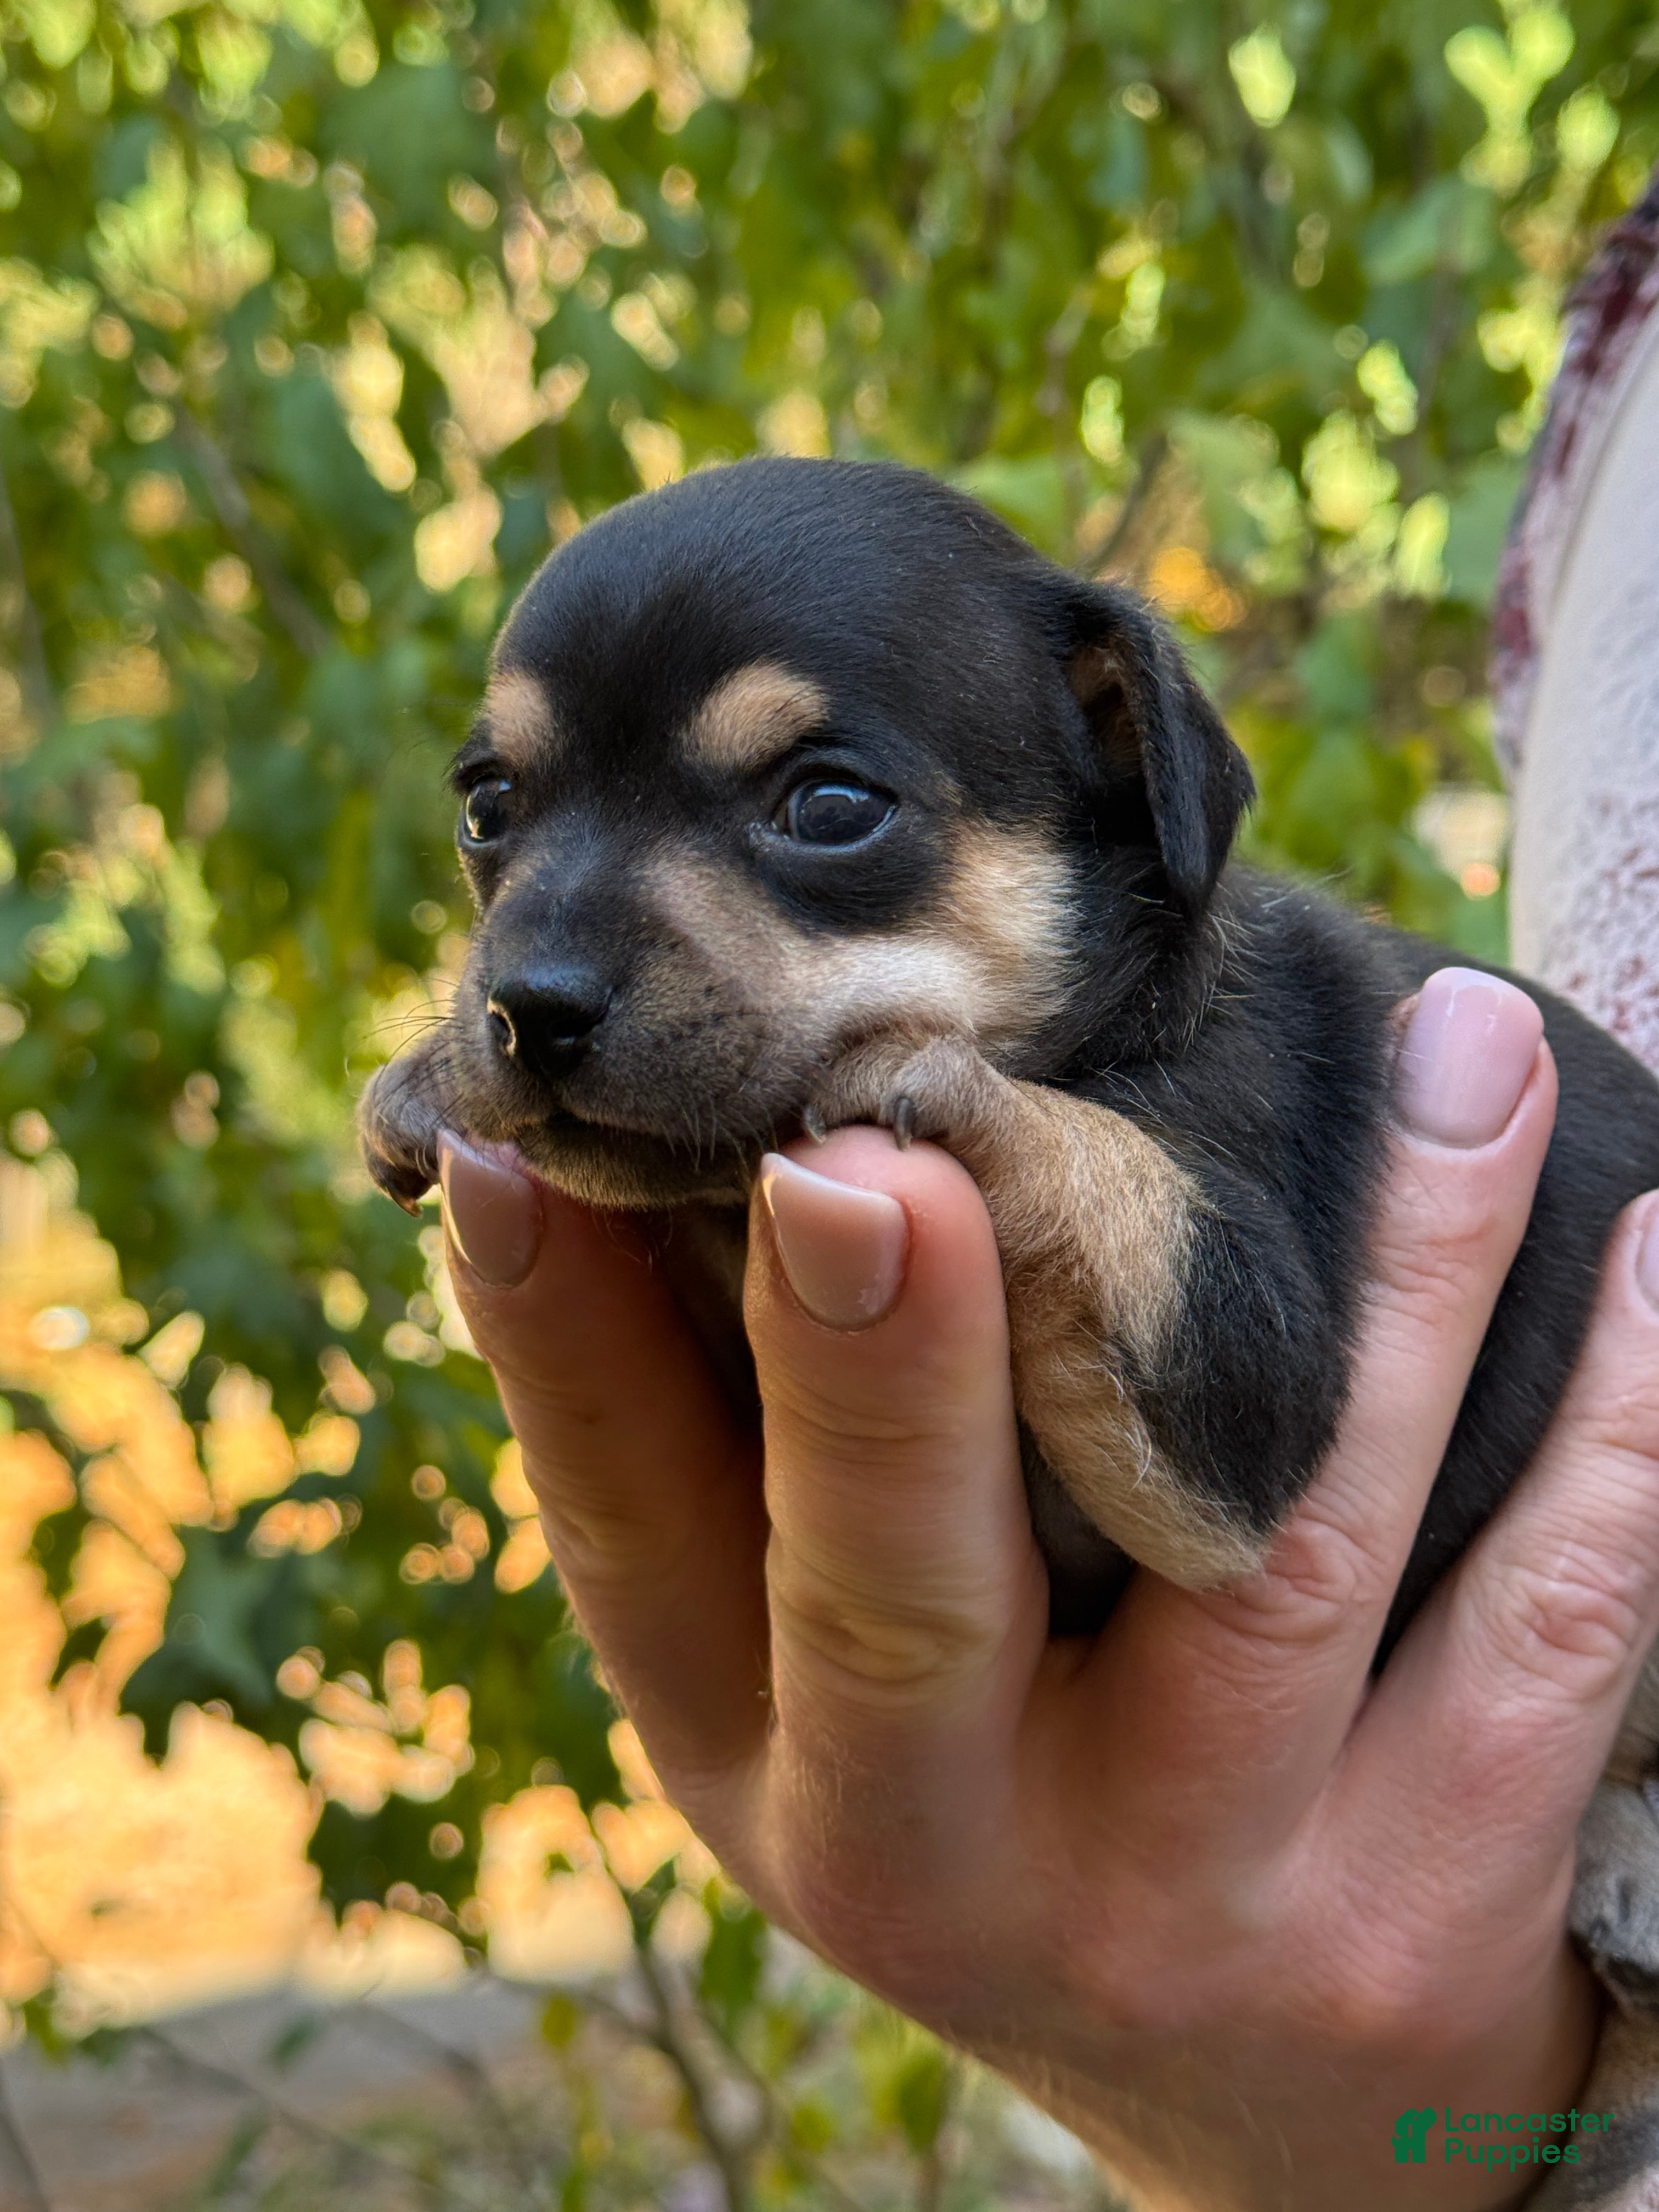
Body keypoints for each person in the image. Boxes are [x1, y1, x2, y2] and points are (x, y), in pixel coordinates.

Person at [435, 200, 1659, 2209]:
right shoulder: (1628, 410)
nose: (545, 959)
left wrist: (1004, 1144)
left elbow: (1211, 1507)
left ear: (1127, 778)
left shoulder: (1205, 1070)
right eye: (507, 812)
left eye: (820, 811)